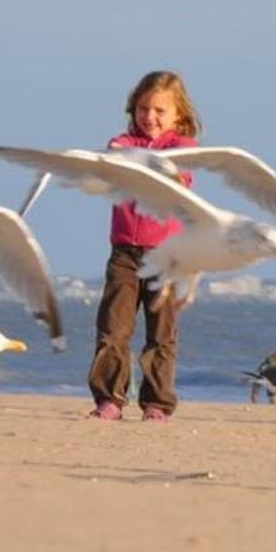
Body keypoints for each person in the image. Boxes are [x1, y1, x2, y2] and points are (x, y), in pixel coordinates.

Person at [87, 70, 201, 422]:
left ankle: (157, 403)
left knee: (161, 334)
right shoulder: (122, 142)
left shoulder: (184, 148)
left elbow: (175, 172)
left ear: (178, 115)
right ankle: (110, 399)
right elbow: (115, 155)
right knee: (113, 329)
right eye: (142, 109)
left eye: (159, 111)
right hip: (124, 252)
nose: (149, 117)